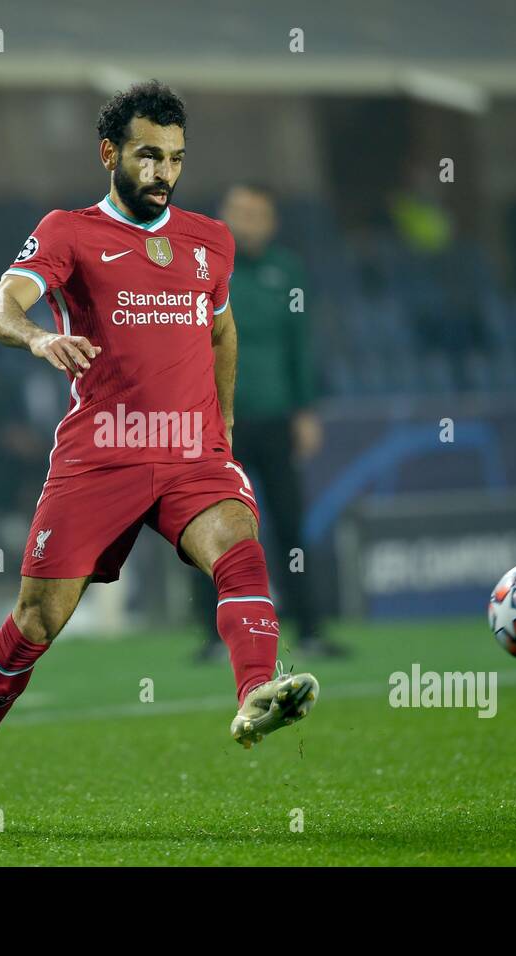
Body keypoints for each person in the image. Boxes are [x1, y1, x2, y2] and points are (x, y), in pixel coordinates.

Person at [0, 81, 319, 834]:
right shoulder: (69, 232)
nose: (163, 172)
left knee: (239, 546)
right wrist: (38, 337)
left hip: (191, 455)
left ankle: (258, 690)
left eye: (177, 159)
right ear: (110, 153)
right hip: (102, 455)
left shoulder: (210, 241)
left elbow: (221, 333)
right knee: (35, 621)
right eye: (149, 155)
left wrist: (219, 423)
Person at [192, 184, 347, 661]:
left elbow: (300, 346)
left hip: (278, 418)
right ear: (223, 217)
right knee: (209, 527)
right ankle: (215, 637)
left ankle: (311, 630)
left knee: (289, 527)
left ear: (272, 223)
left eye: (257, 214)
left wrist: (305, 411)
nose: (248, 222)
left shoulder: (288, 271)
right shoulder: (200, 269)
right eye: (239, 213)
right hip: (217, 422)